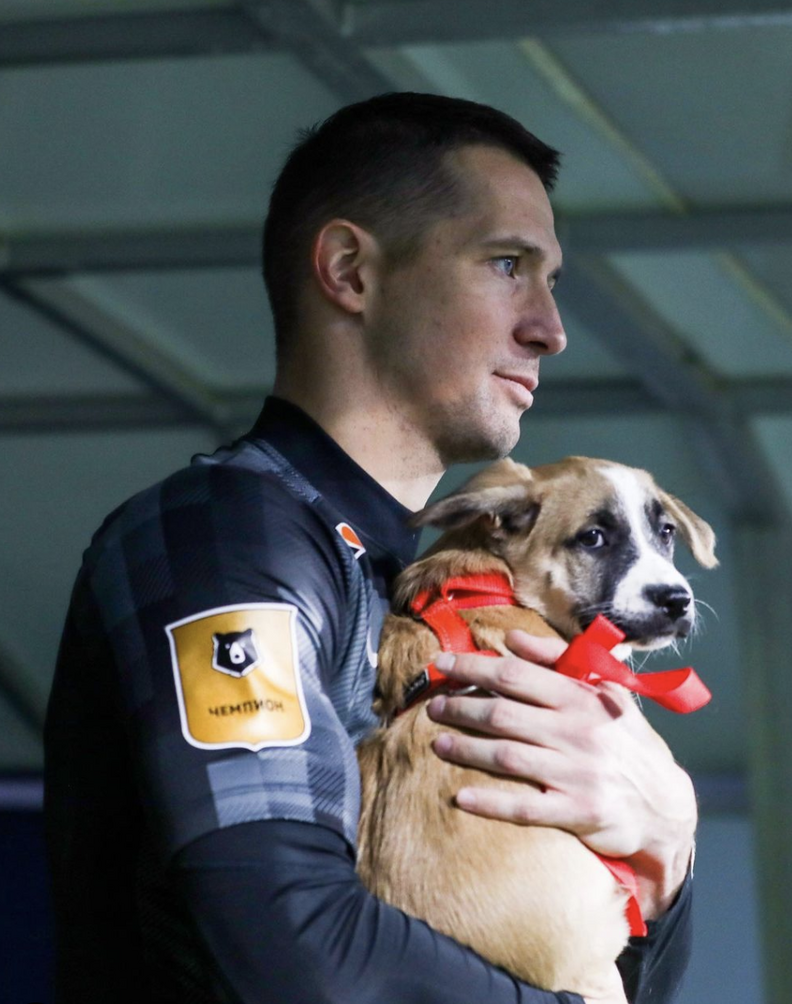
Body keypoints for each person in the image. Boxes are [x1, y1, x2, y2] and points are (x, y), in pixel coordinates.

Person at [44, 92, 695, 1004]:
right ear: (351, 271)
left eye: (552, 281)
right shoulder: (225, 540)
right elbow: (287, 937)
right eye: (508, 264)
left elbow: (600, 969)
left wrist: (665, 850)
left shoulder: (431, 585)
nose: (550, 328)